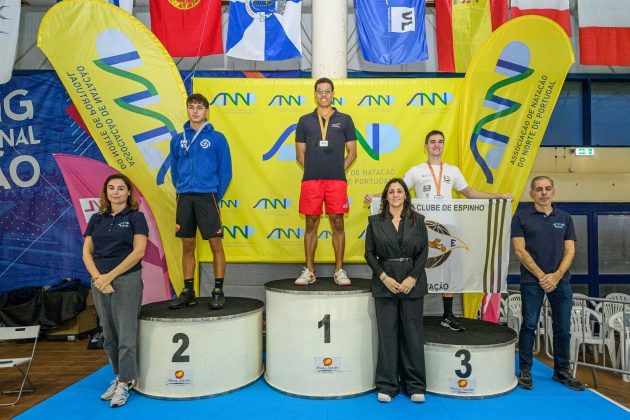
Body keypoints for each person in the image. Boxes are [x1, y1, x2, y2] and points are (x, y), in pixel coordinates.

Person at [365, 129, 512, 331]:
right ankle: (414, 313)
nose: (436, 145)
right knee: (419, 266)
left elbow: (470, 193)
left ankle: (448, 315)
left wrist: (498, 197)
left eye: (440, 141)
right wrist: (374, 198)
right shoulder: (416, 171)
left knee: (447, 269)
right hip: (421, 227)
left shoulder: (453, 171)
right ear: (426, 146)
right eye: (432, 141)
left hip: (447, 227)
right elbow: (396, 191)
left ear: (443, 145)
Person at [511, 176, 585, 391]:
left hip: (561, 282)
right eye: (538, 189)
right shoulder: (521, 217)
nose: (543, 192)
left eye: (547, 188)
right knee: (529, 325)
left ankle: (562, 372)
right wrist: (543, 276)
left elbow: (570, 251)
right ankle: (525, 371)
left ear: (553, 191)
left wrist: (556, 276)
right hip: (531, 281)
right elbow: (519, 250)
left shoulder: (565, 218)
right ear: (531, 194)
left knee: (563, 327)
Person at [82, 173, 148, 408]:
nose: (116, 192)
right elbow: (86, 252)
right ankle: (121, 377)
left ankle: (125, 381)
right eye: (112, 188)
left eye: (121, 188)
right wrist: (98, 278)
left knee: (126, 336)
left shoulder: (136, 217)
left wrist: (110, 276)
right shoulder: (96, 218)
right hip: (100, 281)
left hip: (126, 280)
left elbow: (138, 252)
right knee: (109, 336)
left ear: (128, 192)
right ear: (106, 191)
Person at [365, 178, 429, 403]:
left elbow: (423, 252)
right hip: (385, 283)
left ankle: (415, 385)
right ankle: (387, 385)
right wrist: (384, 277)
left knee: (412, 334)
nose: (395, 195)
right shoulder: (374, 222)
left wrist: (413, 277)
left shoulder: (418, 220)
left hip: (412, 283)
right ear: (385, 196)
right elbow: (369, 253)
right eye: (391, 191)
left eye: (399, 191)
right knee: (387, 335)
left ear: (405, 195)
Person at [168, 93, 232, 310]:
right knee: (187, 245)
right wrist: (182, 189)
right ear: (187, 109)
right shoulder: (177, 140)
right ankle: (188, 291)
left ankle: (218, 290)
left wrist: (214, 196)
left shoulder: (218, 138)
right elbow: (174, 172)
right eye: (191, 107)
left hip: (208, 197)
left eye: (200, 107)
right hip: (185, 197)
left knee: (215, 244)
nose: (195, 111)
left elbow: (226, 172)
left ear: (207, 111)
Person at [294, 77, 357, 286]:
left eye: (327, 91)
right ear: (315, 95)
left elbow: (352, 152)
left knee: (337, 222)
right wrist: (313, 168)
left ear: (333, 94)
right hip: (311, 181)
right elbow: (300, 153)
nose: (323, 95)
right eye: (319, 91)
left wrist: (338, 169)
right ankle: (309, 270)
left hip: (336, 182)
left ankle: (339, 270)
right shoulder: (305, 120)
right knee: (311, 223)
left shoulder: (345, 119)